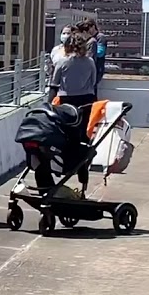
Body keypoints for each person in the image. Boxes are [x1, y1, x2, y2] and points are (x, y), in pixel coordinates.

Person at [44, 32, 98, 195]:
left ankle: (64, 167)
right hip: (87, 102)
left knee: (66, 137)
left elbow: (54, 85)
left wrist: (48, 105)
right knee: (83, 139)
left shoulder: (62, 62)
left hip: (67, 103)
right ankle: (83, 179)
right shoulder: (90, 62)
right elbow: (93, 82)